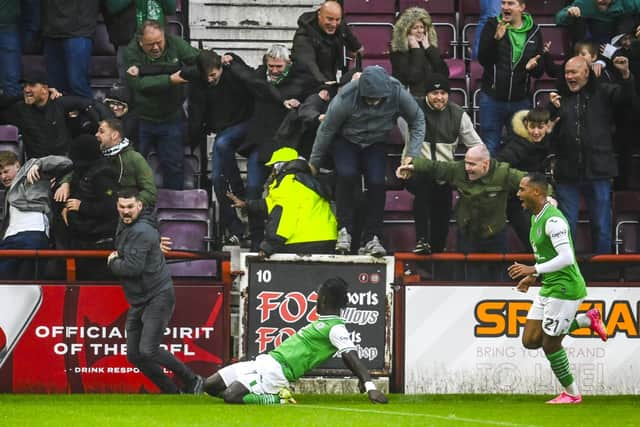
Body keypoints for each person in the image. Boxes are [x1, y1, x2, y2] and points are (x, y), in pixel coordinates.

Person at [202, 276, 388, 405]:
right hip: (264, 361)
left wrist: (369, 385)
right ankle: (253, 391)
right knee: (210, 385)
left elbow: (350, 356)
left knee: (230, 396)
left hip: (278, 373)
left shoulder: (336, 328)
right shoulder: (322, 323)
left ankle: (278, 398)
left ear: (323, 299)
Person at [507, 172, 608, 404]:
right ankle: (586, 320)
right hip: (550, 286)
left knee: (550, 343)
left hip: (565, 288)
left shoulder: (553, 221)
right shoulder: (535, 216)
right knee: (530, 340)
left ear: (537, 192)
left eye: (522, 189)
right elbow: (546, 254)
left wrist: (533, 270)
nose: (518, 193)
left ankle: (572, 394)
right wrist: (533, 278)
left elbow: (566, 258)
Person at [310, 65, 425, 257]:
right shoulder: (345, 97)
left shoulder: (397, 92)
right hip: (347, 140)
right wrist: (315, 162)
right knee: (347, 175)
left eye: (377, 98)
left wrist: (412, 153)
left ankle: (373, 236)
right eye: (369, 98)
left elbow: (418, 120)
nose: (373, 103)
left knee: (377, 182)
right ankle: (343, 230)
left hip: (376, 141)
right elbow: (326, 130)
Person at [107, 190, 204, 394]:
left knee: (148, 349)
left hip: (156, 295)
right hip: (140, 298)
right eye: (122, 207)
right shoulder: (126, 225)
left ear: (140, 206)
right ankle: (171, 391)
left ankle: (194, 380)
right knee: (134, 355)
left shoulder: (142, 230)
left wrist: (113, 262)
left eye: (130, 207)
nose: (126, 211)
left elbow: (132, 268)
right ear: (116, 206)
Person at [224, 45, 316, 251]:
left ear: (288, 64)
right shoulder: (260, 77)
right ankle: (257, 240)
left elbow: (317, 92)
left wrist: (302, 102)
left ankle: (289, 237)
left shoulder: (302, 80)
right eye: (271, 66)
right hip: (261, 143)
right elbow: (246, 75)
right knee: (254, 190)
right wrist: (234, 60)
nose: (274, 70)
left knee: (289, 195)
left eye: (278, 66)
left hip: (287, 147)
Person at [396, 144, 529, 281]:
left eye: (472, 164)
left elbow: (531, 182)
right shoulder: (458, 170)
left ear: (485, 164)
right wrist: (413, 165)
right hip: (468, 234)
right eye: (466, 163)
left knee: (499, 281)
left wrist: (548, 196)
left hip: (495, 235)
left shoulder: (504, 173)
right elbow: (436, 167)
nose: (467, 168)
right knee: (469, 281)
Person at [549, 55, 633, 253]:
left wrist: (625, 75)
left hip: (599, 170)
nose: (569, 76)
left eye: (573, 72)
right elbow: (548, 133)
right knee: (566, 226)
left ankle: (602, 274)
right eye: (566, 72)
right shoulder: (559, 97)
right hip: (568, 172)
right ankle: (566, 270)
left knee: (601, 225)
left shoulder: (603, 91)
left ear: (586, 73)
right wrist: (552, 111)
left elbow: (627, 99)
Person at [402, 74, 482, 254]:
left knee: (443, 206)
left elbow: (477, 145)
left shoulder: (458, 114)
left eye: (443, 93)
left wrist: (473, 166)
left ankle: (437, 249)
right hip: (415, 169)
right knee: (424, 186)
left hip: (443, 172)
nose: (439, 97)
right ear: (426, 94)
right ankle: (422, 240)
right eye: (434, 93)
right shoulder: (414, 108)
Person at [124, 19, 200, 190]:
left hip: (171, 118)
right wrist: (170, 79)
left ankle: (175, 210)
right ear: (140, 41)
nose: (156, 48)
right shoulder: (130, 52)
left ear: (165, 36)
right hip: (142, 119)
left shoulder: (175, 43)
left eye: (159, 42)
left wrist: (216, 59)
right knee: (133, 168)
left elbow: (197, 59)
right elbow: (140, 85)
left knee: (174, 166)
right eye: (150, 44)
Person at [188, 50, 254, 244]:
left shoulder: (232, 73)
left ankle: (240, 193)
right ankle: (236, 228)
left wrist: (233, 56)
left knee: (224, 144)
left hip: (245, 123)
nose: (209, 80)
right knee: (216, 178)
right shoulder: (199, 83)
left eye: (213, 75)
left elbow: (250, 74)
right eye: (206, 76)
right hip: (222, 130)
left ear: (220, 69)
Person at [226, 147, 337, 257]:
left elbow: (285, 217)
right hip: (326, 240)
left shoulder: (288, 183)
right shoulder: (307, 181)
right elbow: (273, 204)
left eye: (273, 168)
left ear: (279, 167)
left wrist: (268, 247)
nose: (272, 173)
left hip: (302, 242)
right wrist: (247, 204)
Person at [477, 0, 544, 155]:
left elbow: (539, 72)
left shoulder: (534, 31)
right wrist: (496, 39)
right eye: (503, 3)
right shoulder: (493, 25)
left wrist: (533, 68)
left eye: (511, 3)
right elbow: (483, 60)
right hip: (492, 99)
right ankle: (491, 180)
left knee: (520, 149)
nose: (505, 7)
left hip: (520, 100)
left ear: (521, 7)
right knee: (490, 147)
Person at [0, 70, 111, 159]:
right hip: (36, 168)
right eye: (24, 86)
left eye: (32, 85)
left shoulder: (60, 103)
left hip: (64, 163)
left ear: (44, 88)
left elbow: (92, 105)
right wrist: (23, 96)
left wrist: (104, 126)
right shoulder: (20, 109)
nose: (26, 89)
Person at [0, 151, 72, 279]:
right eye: (0, 174)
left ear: (17, 165)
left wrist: (38, 164)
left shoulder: (31, 171)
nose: (3, 177)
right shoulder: (7, 195)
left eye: (6, 171)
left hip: (33, 234)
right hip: (9, 240)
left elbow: (66, 162)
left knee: (27, 285)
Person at [55, 119, 157, 209]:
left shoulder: (134, 158)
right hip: (96, 205)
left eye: (101, 132)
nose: (96, 135)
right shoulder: (96, 153)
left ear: (114, 135)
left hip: (124, 210)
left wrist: (127, 203)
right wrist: (65, 182)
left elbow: (150, 193)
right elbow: (78, 167)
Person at [496, 108, 554, 251]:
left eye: (540, 127)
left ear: (547, 127)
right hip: (515, 200)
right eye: (532, 127)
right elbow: (497, 167)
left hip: (537, 197)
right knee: (533, 241)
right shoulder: (516, 146)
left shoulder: (548, 143)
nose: (535, 132)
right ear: (526, 124)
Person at [291, 0, 362, 85]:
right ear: (319, 15)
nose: (334, 24)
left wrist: (356, 52)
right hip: (306, 84)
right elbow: (308, 63)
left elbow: (358, 48)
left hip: (330, 79)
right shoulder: (304, 34)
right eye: (330, 19)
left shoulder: (339, 25)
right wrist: (324, 82)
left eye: (337, 19)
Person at [41, 0, 100, 98]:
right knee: (55, 89)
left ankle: (88, 112)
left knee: (77, 84)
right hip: (51, 31)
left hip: (80, 30)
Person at [390, 7, 450, 97]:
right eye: (415, 28)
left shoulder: (430, 49)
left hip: (432, 99)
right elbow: (413, 78)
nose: (420, 31)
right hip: (410, 99)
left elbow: (444, 74)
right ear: (406, 31)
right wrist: (416, 50)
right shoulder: (398, 52)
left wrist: (429, 49)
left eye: (422, 27)